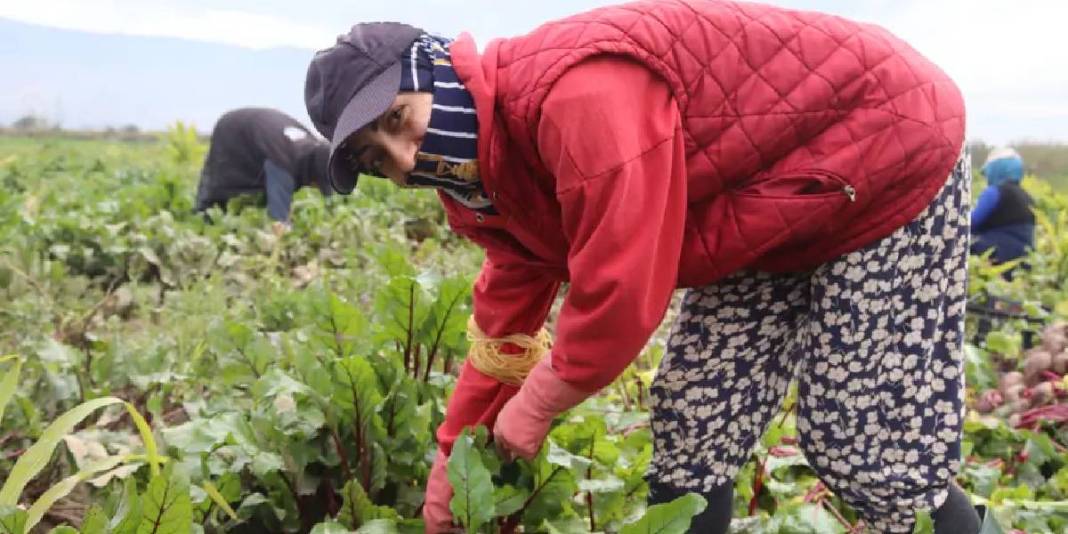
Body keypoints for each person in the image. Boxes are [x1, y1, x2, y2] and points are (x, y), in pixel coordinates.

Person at [303, 1, 990, 532]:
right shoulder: (491, 189)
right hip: (770, 203)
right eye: (375, 159)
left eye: (399, 119)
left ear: (437, 72)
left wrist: (536, 405)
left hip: (888, 147)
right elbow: (502, 338)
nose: (404, 159)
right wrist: (447, 479)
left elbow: (621, 292)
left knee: (863, 449)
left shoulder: (577, 96)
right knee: (693, 426)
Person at [194, 107, 331, 224]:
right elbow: (279, 216)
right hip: (232, 130)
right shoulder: (283, 164)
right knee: (218, 195)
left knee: (262, 195)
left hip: (263, 130)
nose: (316, 188)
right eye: (318, 184)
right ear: (313, 175)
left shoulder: (312, 144)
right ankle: (201, 219)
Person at [971, 147, 1035, 263]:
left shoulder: (994, 192)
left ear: (994, 170)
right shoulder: (1027, 196)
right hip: (1025, 258)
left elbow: (972, 223)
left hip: (997, 254)